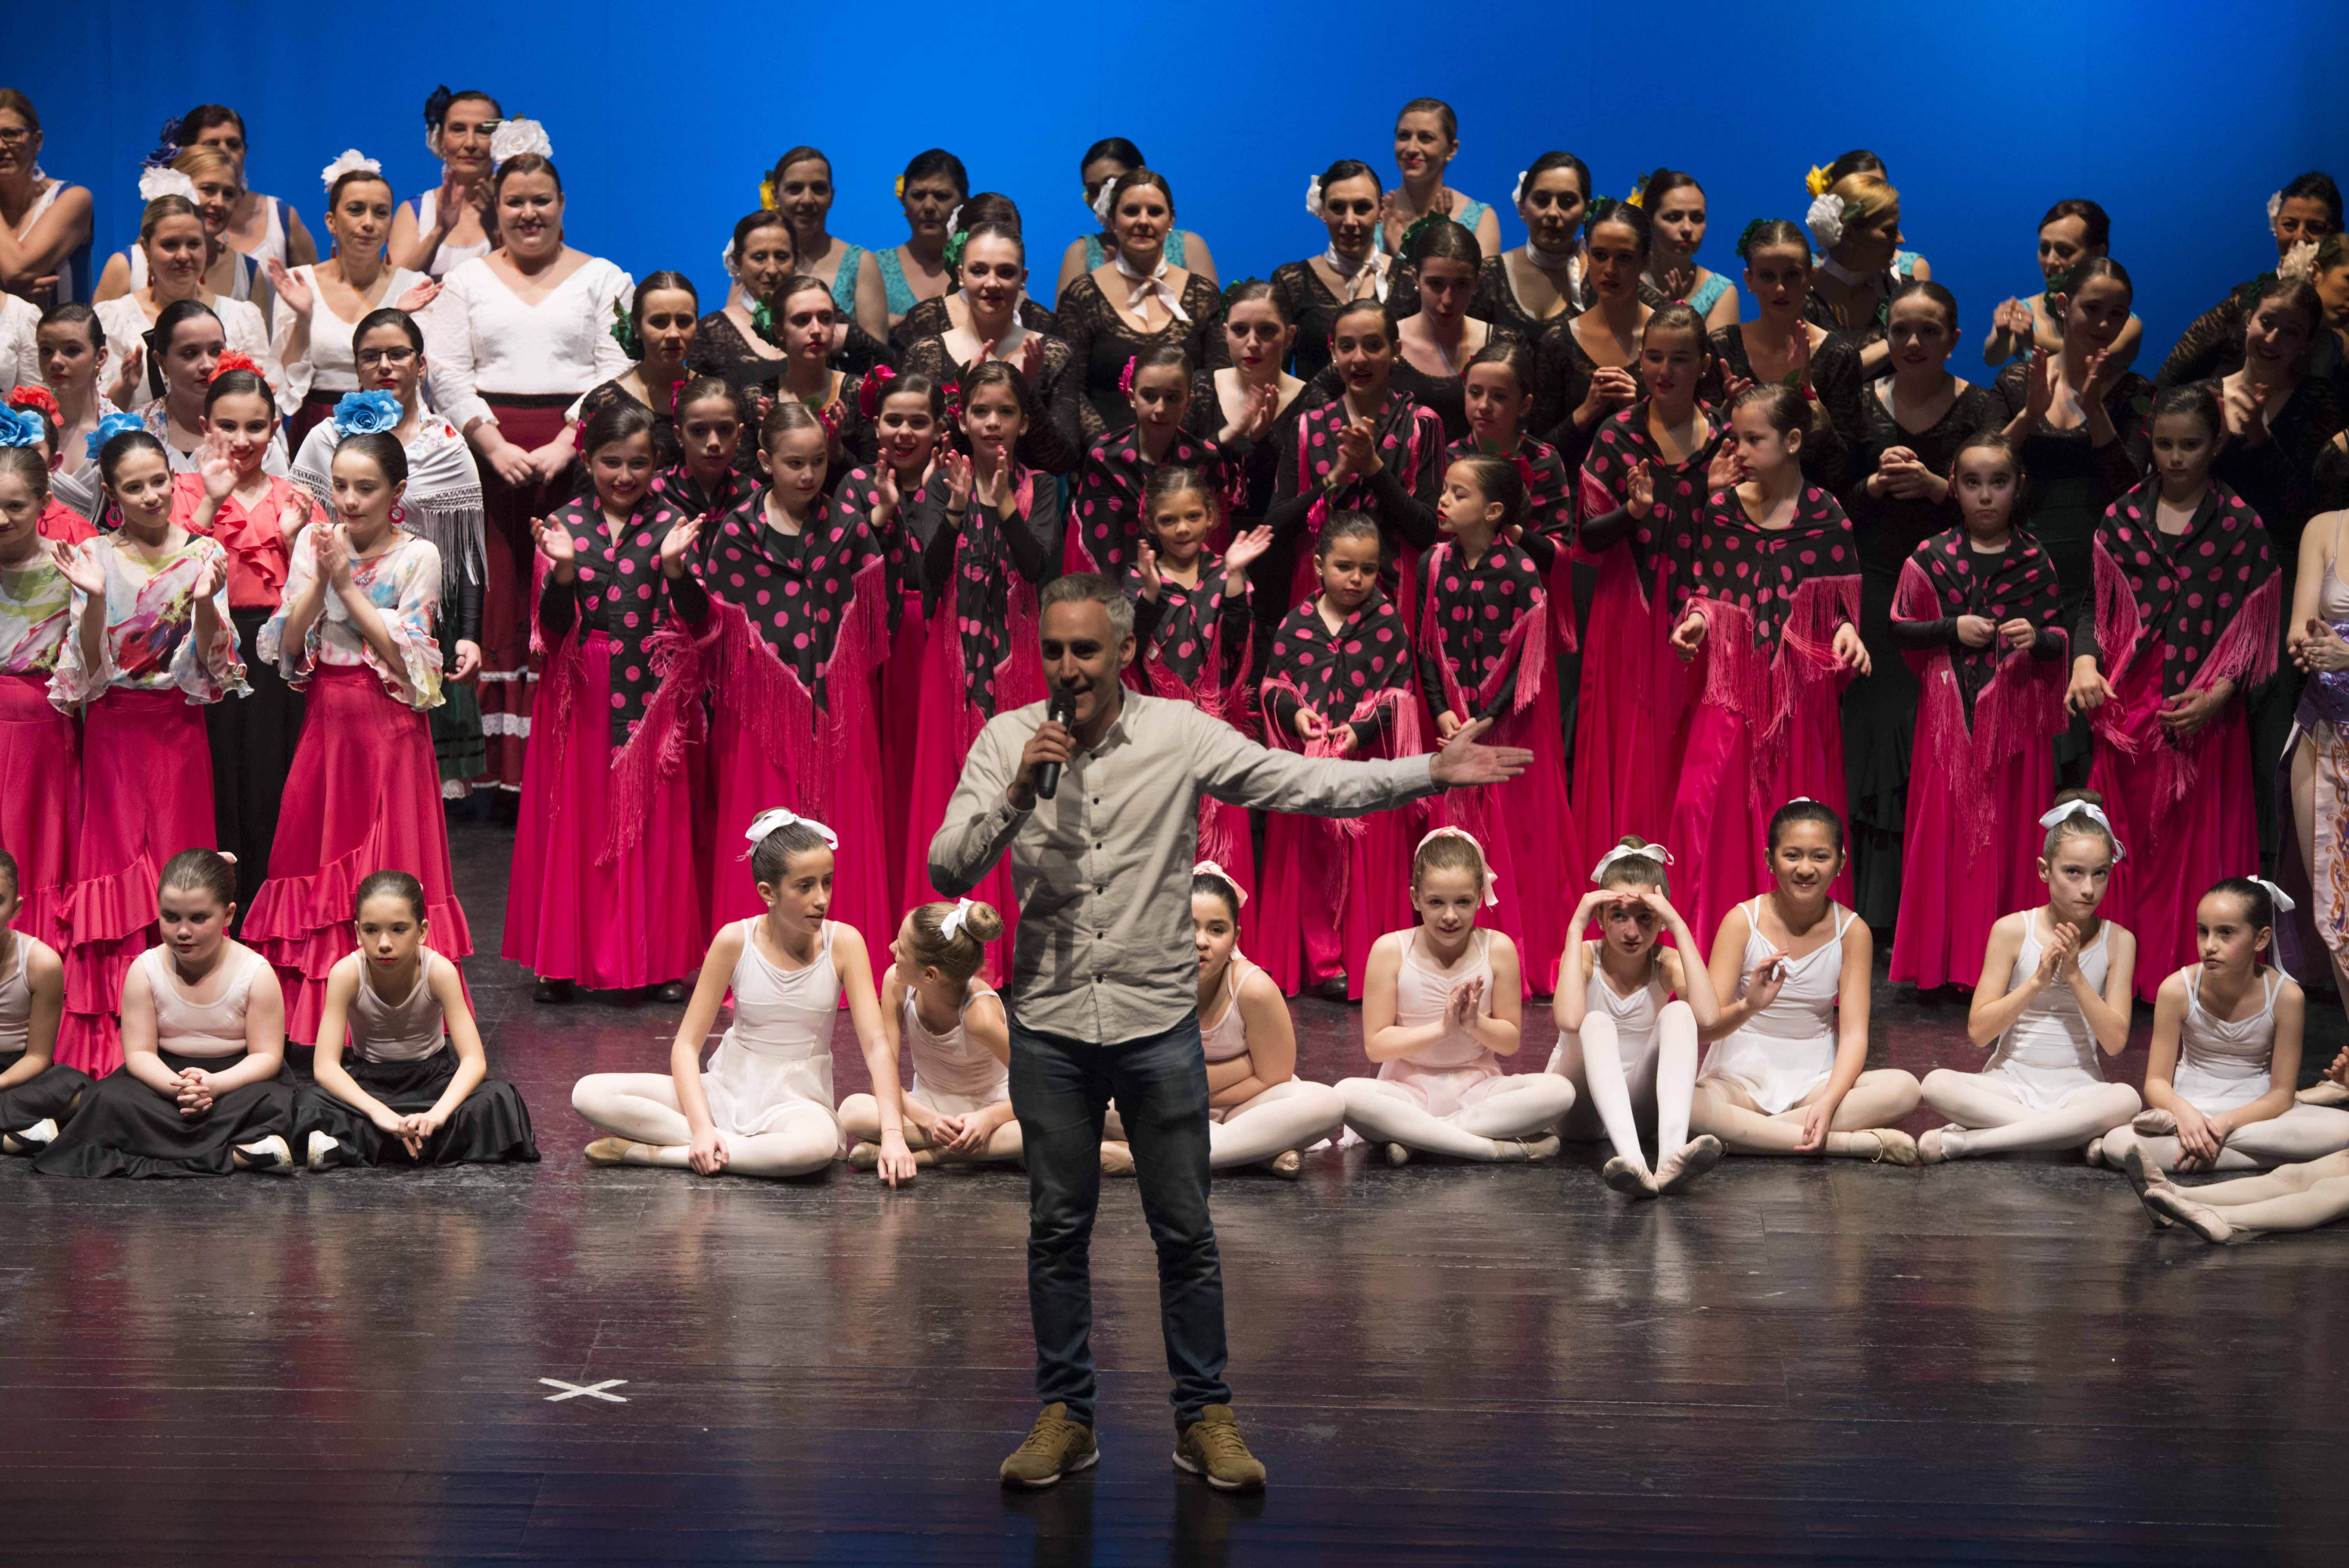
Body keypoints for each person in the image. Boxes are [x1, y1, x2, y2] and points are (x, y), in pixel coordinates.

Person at [928, 571, 1532, 1491]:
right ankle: (1065, 1413)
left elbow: (1301, 782)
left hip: (1153, 1022)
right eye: (1053, 649)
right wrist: (1017, 789)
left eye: (1084, 649)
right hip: (1050, 1023)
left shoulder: (1177, 732)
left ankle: (1204, 1416)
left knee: (1184, 1228)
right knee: (1057, 1226)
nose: (1066, 667)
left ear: (1122, 651)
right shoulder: (1008, 739)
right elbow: (946, 864)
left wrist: (1424, 772)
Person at [425, 135, 634, 789]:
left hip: (573, 457)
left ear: (563, 203)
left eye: (541, 200)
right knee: (493, 601)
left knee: (561, 594)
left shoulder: (605, 277)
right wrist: (491, 443)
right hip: (490, 458)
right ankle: (489, 769)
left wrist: (567, 442)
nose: (528, 213)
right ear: (497, 209)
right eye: (515, 202)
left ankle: (561, 757)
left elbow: (616, 368)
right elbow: (449, 370)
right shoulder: (464, 280)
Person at [247, 432, 469, 1042]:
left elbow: (413, 667)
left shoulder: (418, 555)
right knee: (315, 851)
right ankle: (318, 1020)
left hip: (389, 728)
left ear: (397, 492)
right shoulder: (317, 547)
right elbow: (289, 647)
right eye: (340, 486)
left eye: (365, 488)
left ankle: (400, 1019)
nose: (349, 499)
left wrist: (346, 586)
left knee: (388, 860)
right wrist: (320, 579)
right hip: (329, 722)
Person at [572, 811, 916, 1183]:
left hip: (797, 1103)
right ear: (768, 892)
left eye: (827, 883)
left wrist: (894, 1136)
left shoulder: (845, 943)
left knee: (814, 1148)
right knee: (588, 1093)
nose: (822, 899)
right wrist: (703, 1127)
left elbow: (877, 1046)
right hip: (723, 1089)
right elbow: (686, 1046)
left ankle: (653, 1153)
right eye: (805, 887)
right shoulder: (735, 940)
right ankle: (724, 1147)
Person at [2066, 385, 2275, 999]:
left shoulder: (2241, 527)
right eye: (2164, 445)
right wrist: (2083, 663)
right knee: (2127, 850)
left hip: (2200, 715)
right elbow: (2092, 608)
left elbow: (2255, 638)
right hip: (2126, 712)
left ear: (2215, 446)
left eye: (2190, 445)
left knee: (2190, 848)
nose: (2176, 458)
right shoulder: (2122, 517)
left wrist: (2219, 696)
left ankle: (2186, 984)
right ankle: (2119, 983)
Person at [50, 428, 244, 1074]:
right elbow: (85, 671)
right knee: (116, 865)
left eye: (159, 479)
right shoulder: (94, 556)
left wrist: (210, 604)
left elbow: (212, 670)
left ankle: (188, 1024)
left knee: (179, 866)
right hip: (112, 733)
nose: (151, 494)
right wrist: (96, 601)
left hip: (176, 734)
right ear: (113, 493)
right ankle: (111, 1029)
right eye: (134, 486)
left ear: (173, 477)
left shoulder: (205, 553)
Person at [503, 402, 704, 1002]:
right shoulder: (563, 525)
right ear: (587, 461)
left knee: (651, 821)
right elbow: (555, 631)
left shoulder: (675, 523)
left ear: (657, 464)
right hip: (582, 691)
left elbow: (697, 620)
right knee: (578, 818)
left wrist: (675, 571)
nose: (624, 475)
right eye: (611, 462)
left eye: (638, 463)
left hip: (651, 689)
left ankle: (659, 962)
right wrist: (562, 575)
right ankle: (561, 961)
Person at [1666, 386, 1869, 941]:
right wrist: (1698, 622)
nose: (1741, 450)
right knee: (1701, 809)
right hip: (1732, 688)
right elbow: (1711, 591)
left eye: (1755, 439)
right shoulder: (1724, 511)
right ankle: (1706, 941)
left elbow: (1839, 607)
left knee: (1794, 816)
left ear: (1794, 441)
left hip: (1797, 700)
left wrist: (1848, 631)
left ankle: (1796, 947)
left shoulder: (1828, 518)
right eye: (1736, 437)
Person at [694, 400, 891, 945]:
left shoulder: (849, 530)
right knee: (768, 830)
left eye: (818, 463)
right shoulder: (736, 534)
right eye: (793, 464)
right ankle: (761, 956)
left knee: (840, 831)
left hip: (837, 712)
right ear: (764, 461)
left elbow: (871, 623)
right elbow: (720, 635)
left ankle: (843, 955)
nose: (808, 475)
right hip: (762, 718)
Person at [1886, 431, 2071, 987]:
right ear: (1955, 487)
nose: (1985, 496)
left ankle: (2002, 967)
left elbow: (2061, 638)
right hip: (1949, 724)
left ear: (2018, 489)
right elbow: (1898, 626)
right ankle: (1941, 965)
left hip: (2011, 724)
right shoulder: (1932, 557)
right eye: (1972, 483)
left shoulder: (2035, 562)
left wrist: (2035, 638)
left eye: (1999, 482)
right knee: (1944, 834)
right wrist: (1951, 628)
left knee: (2008, 837)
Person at [1841, 281, 2000, 928]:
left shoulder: (1981, 405)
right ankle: (1875, 909)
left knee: (1940, 744)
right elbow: (1830, 501)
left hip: (1953, 590)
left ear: (1953, 340)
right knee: (1877, 739)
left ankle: (1937, 909)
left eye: (1928, 331)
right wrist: (1873, 484)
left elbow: (2002, 499)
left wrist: (1941, 487)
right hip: (1877, 585)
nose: (1911, 343)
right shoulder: (1858, 404)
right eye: (1901, 329)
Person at [900, 365, 1060, 980]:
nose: (993, 424)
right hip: (953, 659)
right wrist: (959, 511)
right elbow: (927, 577)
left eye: (1006, 413)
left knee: (1019, 794)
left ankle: (1020, 952)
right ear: (961, 419)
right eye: (980, 413)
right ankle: (950, 949)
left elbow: (1038, 566)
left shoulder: (1040, 488)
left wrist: (1005, 510)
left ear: (1023, 421)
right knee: (955, 788)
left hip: (1019, 659)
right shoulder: (939, 485)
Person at [290, 309, 488, 797]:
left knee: (411, 781)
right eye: (370, 356)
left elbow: (466, 551)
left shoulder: (447, 445)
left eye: (398, 354)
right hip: (338, 624)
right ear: (356, 368)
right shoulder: (325, 439)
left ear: (421, 365)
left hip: (418, 622)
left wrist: (469, 633)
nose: (385, 365)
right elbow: (302, 535)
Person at [32, 848, 297, 1178]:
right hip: (164, 1078)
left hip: (234, 1080)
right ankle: (237, 1153)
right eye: (171, 918)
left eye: (198, 919)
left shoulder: (255, 971)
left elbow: (267, 1056)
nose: (183, 932)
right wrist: (178, 1089)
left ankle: (178, 1149)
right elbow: (140, 1053)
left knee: (274, 1102)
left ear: (228, 915)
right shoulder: (145, 969)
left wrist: (213, 1086)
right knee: (107, 1099)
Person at [1413, 455, 1575, 992]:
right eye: (1446, 489)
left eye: (1459, 494)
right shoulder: (1433, 563)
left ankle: (1517, 956)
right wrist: (1441, 710)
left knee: (1518, 839)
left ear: (1494, 510)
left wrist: (1481, 722)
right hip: (1452, 718)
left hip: (1505, 727)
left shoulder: (1522, 574)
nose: (1444, 500)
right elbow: (1427, 649)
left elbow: (1528, 670)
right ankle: (1450, 953)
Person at [1574, 308, 1730, 853]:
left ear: (1704, 365)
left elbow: (1749, 536)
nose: (1665, 370)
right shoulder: (1618, 434)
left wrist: (1718, 497)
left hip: (1703, 616)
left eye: (1680, 359)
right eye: (1654, 357)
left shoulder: (1728, 439)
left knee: (1688, 747)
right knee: (1630, 747)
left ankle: (1690, 878)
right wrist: (1633, 514)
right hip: (1629, 614)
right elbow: (1588, 538)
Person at [1689, 800, 1921, 1162]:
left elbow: (1856, 1034)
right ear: (1770, 858)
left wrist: (1829, 1100)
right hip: (1740, 1077)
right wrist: (1749, 1006)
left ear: (1841, 863)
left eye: (1820, 857)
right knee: (1685, 1106)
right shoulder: (1741, 921)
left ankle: (1754, 1134)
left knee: (1905, 1089)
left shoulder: (1853, 931)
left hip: (1815, 1079)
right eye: (1793, 856)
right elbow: (1706, 1028)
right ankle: (1847, 1143)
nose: (1806, 869)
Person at [1916, 794, 2140, 1162]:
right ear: (2043, 870)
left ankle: (1970, 1143)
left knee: (2127, 1100)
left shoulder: (2120, 941)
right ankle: (2070, 1135)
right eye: (2074, 872)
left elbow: (2115, 1043)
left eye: (2100, 873)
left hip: (2079, 1087)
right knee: (1935, 1084)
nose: (2088, 888)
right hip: (2009, 1084)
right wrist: (2037, 980)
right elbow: (1979, 1032)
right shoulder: (2012, 930)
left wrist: (2074, 975)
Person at [1253, 512, 1419, 1000]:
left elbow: (1401, 696)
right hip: (1311, 768)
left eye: (1368, 569)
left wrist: (1361, 729)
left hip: (1362, 766)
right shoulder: (1298, 620)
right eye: (1344, 566)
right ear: (1320, 565)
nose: (1356, 579)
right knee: (1311, 866)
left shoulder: (1385, 621)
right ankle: (1319, 964)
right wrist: (1297, 715)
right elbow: (1273, 684)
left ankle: (1365, 959)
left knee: (1362, 865)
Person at [1338, 826, 1577, 1162]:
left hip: (1478, 1092)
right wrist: (1443, 1030)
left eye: (1463, 902)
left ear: (1480, 897)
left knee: (1561, 1092)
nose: (1450, 916)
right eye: (1436, 902)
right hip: (1406, 1092)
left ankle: (1420, 1137)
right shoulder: (1390, 950)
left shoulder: (1498, 949)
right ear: (1415, 898)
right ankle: (1492, 1149)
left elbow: (1509, 1042)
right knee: (1345, 1095)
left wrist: (1474, 1022)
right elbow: (1376, 1047)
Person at [175, 363, 315, 916]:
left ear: (275, 427)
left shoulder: (295, 498)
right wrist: (211, 503)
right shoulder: (182, 491)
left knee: (269, 780)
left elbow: (318, 590)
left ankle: (266, 910)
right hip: (203, 648)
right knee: (212, 779)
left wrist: (292, 540)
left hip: (276, 651)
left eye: (255, 427)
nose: (241, 441)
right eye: (227, 426)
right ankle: (207, 913)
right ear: (205, 425)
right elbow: (167, 580)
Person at [2097, 878, 2349, 1173]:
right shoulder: (2177, 989)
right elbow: (2156, 1082)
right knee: (2117, 1143)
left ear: (2261, 939)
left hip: (2257, 1116)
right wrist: (2184, 1113)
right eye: (2203, 931)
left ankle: (2201, 1148)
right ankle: (2261, 1156)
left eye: (2226, 933)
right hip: (2192, 1108)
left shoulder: (2286, 996)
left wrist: (2226, 1124)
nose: (2210, 946)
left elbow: (2281, 1095)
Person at [295, 869, 535, 1168]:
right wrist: (377, 1111)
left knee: (498, 1097)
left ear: (421, 931)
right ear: (357, 932)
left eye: (398, 929)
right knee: (307, 1102)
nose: (384, 943)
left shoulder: (439, 971)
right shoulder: (346, 974)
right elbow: (326, 1067)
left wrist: (438, 1114)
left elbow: (474, 1060)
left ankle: (365, 1143)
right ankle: (418, 1141)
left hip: (432, 1081)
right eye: (371, 930)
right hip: (372, 1081)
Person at [1547, 837, 1724, 1196]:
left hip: (1638, 1111)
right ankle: (1631, 1160)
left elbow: (1707, 1018)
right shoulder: (1584, 955)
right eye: (1619, 916)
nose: (1632, 932)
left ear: (1659, 918)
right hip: (1577, 1113)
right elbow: (1568, 1020)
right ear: (1601, 916)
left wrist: (1678, 926)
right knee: (1594, 1021)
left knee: (1679, 1012)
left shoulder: (1666, 961)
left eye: (1646, 919)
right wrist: (1575, 927)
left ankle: (1670, 1157)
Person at [1126, 465, 1271, 900]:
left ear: (1211, 515)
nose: (1181, 528)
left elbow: (1235, 644)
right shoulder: (1139, 578)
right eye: (1168, 520)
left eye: (1192, 516)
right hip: (1158, 738)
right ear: (1150, 523)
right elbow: (1128, 652)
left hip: (1216, 735)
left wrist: (1235, 577)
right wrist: (1151, 593)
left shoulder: (1223, 571)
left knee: (1221, 855)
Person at [1260, 298, 1442, 624]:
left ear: (1395, 350)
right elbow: (1274, 528)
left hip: (1396, 603)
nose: (1359, 359)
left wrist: (1373, 467)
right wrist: (1334, 479)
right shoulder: (1307, 425)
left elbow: (1429, 533)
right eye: (1347, 347)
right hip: (1318, 603)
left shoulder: (1421, 424)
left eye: (1373, 346)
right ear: (1333, 352)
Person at [1993, 260, 2152, 628]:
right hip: (2020, 565)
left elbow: (2129, 494)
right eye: (2092, 309)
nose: (2103, 325)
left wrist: (2096, 411)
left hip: (2103, 572)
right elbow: (1980, 471)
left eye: (2117, 315)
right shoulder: (2018, 381)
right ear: (2063, 304)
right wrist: (2030, 416)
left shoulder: (2137, 393)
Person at [1172, 863, 1345, 1176]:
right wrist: (1250, 1065)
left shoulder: (1253, 989)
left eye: (1216, 929)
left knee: (1327, 1103)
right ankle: (1256, 1151)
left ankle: (1141, 1157)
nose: (1201, 941)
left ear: (1235, 935)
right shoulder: (1155, 985)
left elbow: (1275, 1077)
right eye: (1189, 926)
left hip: (1247, 1106)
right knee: (1104, 1102)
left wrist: (1197, 1092)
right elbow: (1157, 1078)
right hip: (1176, 1106)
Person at [839, 897, 1019, 1171]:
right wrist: (930, 1120)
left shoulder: (978, 1016)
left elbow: (1040, 1087)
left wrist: (989, 1119)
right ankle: (982, 1152)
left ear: (930, 976)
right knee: (852, 1112)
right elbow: (882, 1079)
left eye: (901, 948)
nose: (891, 948)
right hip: (930, 1109)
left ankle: (933, 1156)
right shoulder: (896, 985)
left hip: (990, 1111)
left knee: (1044, 1124)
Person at [266, 156, 431, 447]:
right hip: (317, 427)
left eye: (380, 213)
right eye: (356, 210)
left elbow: (422, 379)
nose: (369, 223)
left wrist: (397, 320)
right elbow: (283, 386)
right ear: (331, 222)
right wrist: (304, 318)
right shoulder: (299, 283)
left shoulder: (413, 285)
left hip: (394, 428)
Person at [895, 223, 1084, 477]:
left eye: (1006, 272)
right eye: (979, 271)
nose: (992, 283)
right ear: (961, 276)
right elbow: (914, 452)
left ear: (1023, 279)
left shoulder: (1052, 354)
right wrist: (963, 396)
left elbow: (1064, 459)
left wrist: (1026, 394)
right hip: (947, 506)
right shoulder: (926, 354)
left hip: (1033, 511)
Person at [1056, 169, 1220, 442]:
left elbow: (1215, 381)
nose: (1143, 221)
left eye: (1155, 212)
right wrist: (1115, 454)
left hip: (1186, 461)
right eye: (1131, 211)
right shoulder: (1083, 294)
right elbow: (1072, 389)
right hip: (1104, 465)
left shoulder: (1202, 294)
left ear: (1172, 220)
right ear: (1112, 220)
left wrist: (1175, 445)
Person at [2155, 170, 2340, 390]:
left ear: (2337, 234)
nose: (2300, 236)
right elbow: (2167, 380)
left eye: (2315, 228)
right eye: (2290, 225)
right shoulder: (2243, 302)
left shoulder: (2339, 319)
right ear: (2275, 225)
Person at [0, 446, 79, 959]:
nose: (1, 519)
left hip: (44, 724)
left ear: (44, 503)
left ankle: (42, 965)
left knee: (40, 846)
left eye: (15, 506)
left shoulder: (68, 564)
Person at [1066, 346, 1225, 577]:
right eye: (1149, 396)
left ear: (1188, 403)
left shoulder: (1205, 459)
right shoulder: (1104, 457)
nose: (1160, 409)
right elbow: (1092, 546)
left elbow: (1216, 541)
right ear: (1132, 397)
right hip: (1116, 592)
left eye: (1172, 398)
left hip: (1188, 590)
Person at [91, 195, 271, 393]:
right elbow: (100, 409)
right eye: (170, 245)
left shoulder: (243, 319)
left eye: (194, 244)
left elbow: (258, 404)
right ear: (146, 249)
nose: (184, 256)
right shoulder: (115, 317)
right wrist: (125, 388)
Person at [2282, 502, 2349, 999]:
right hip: (2324, 730)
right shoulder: (2326, 526)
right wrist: (2305, 645)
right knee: (2335, 904)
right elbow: (2300, 625)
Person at [1533, 199, 1652, 471]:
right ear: (1586, 254)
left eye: (1624, 258)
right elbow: (1537, 454)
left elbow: (1689, 446)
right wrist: (1585, 412)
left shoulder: (1669, 338)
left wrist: (1636, 414)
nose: (1610, 269)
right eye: (1600, 255)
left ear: (1646, 261)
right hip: (1572, 501)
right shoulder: (1559, 341)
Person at [1273, 160, 1411, 386]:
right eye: (1338, 208)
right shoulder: (1291, 282)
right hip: (1312, 419)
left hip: (1394, 420)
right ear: (1323, 211)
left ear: (1381, 212)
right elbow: (1276, 375)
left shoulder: (1407, 281)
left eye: (1362, 208)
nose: (1349, 221)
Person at [1982, 200, 2144, 373]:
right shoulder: (2026, 310)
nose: (2050, 261)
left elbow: (2098, 355)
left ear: (2097, 253)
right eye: (2044, 249)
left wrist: (2033, 340)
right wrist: (2002, 334)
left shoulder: (2124, 322)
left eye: (2065, 251)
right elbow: (1993, 358)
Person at [0, 847, 86, 1156]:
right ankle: (15, 1137)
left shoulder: (42, 963)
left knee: (83, 1094)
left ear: (16, 907)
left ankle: (20, 1127)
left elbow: (37, 1057)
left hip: (18, 1073)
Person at [1057, 138, 1217, 301]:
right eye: (1093, 191)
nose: (1102, 199)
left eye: (1110, 183)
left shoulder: (1189, 246)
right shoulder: (1080, 253)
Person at [166, 105, 316, 276]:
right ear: (187, 153)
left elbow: (315, 290)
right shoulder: (165, 219)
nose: (225, 152)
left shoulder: (281, 218)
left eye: (233, 145)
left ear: (245, 151)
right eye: (212, 144)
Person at [574, 269, 700, 470]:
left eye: (684, 321)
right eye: (659, 322)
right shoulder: (603, 404)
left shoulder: (717, 397)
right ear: (636, 327)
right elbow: (588, 488)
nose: (674, 334)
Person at [761, 147, 884, 342]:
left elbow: (879, 358)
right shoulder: (756, 262)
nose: (808, 199)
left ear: (832, 197)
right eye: (795, 189)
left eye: (818, 189)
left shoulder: (861, 262)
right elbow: (734, 330)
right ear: (776, 195)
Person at [1803, 169, 1917, 378]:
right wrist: (1900, 337)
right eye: (1889, 230)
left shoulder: (1902, 289)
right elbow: (1821, 379)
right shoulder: (1803, 301)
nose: (1901, 239)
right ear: (1849, 234)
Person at [389, 87, 501, 278]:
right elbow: (393, 288)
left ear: (500, 140)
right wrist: (440, 230)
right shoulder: (415, 211)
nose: (470, 144)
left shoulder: (518, 209)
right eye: (458, 130)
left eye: (483, 131)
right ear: (440, 139)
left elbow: (530, 279)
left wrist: (495, 229)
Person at [1474, 151, 1590, 331]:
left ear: (1586, 212)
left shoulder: (1603, 279)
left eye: (1567, 202)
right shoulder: (1488, 276)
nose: (1553, 213)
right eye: (1542, 201)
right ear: (1522, 207)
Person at [0, 89, 94, 306]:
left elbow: (16, 270)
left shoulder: (73, 198)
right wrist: (12, 295)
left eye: (11, 134)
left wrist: (9, 288)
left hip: (62, 337)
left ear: (38, 141)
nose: (1, 146)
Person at [32, 305, 120, 519]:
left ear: (101, 357)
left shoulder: (123, 430)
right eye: (46, 350)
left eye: (72, 350)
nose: (55, 361)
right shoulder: (21, 429)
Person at [1382, 99, 1501, 258]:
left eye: (1426, 138)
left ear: (1452, 150)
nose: (1411, 149)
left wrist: (1401, 254)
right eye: (1404, 136)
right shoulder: (1374, 214)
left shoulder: (1481, 220)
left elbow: (1482, 283)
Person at [697, 211, 796, 394]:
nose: (772, 269)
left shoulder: (822, 316)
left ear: (796, 259)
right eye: (759, 258)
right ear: (737, 262)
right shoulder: (713, 331)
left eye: (782, 256)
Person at [1635, 171, 1739, 330]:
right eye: (1674, 217)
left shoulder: (1721, 292)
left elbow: (1718, 355)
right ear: (1648, 220)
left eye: (1697, 219)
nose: (1687, 228)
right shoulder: (1628, 283)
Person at [877, 148, 966, 330]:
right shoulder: (874, 269)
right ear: (903, 200)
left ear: (964, 203)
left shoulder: (987, 270)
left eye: (941, 196)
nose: (929, 206)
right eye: (918, 195)